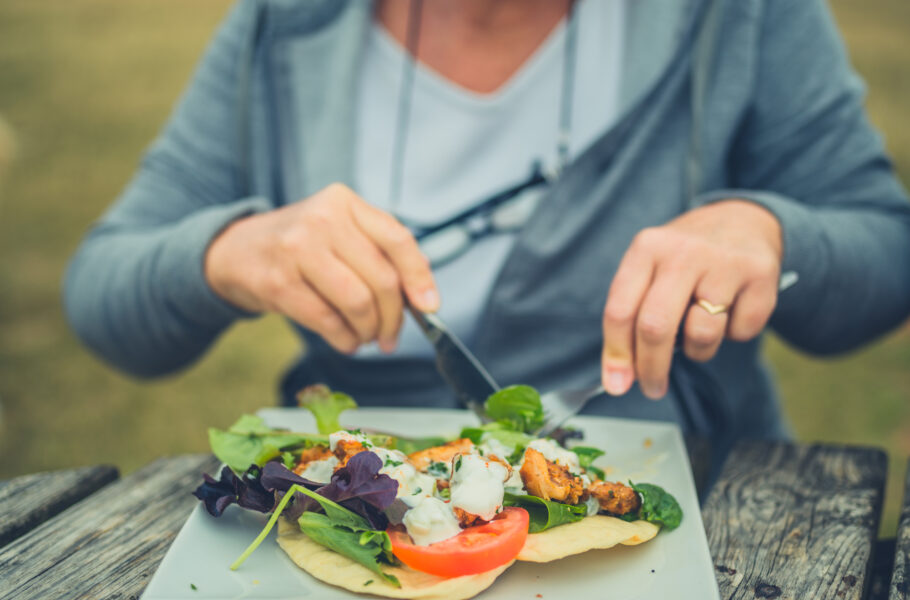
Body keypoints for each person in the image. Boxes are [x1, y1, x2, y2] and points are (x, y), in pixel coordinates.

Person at [64, 0, 910, 469]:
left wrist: (769, 230)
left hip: (694, 507)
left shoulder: (740, 18)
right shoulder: (282, 27)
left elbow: (885, 251)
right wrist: (226, 253)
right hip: (354, 515)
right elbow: (103, 294)